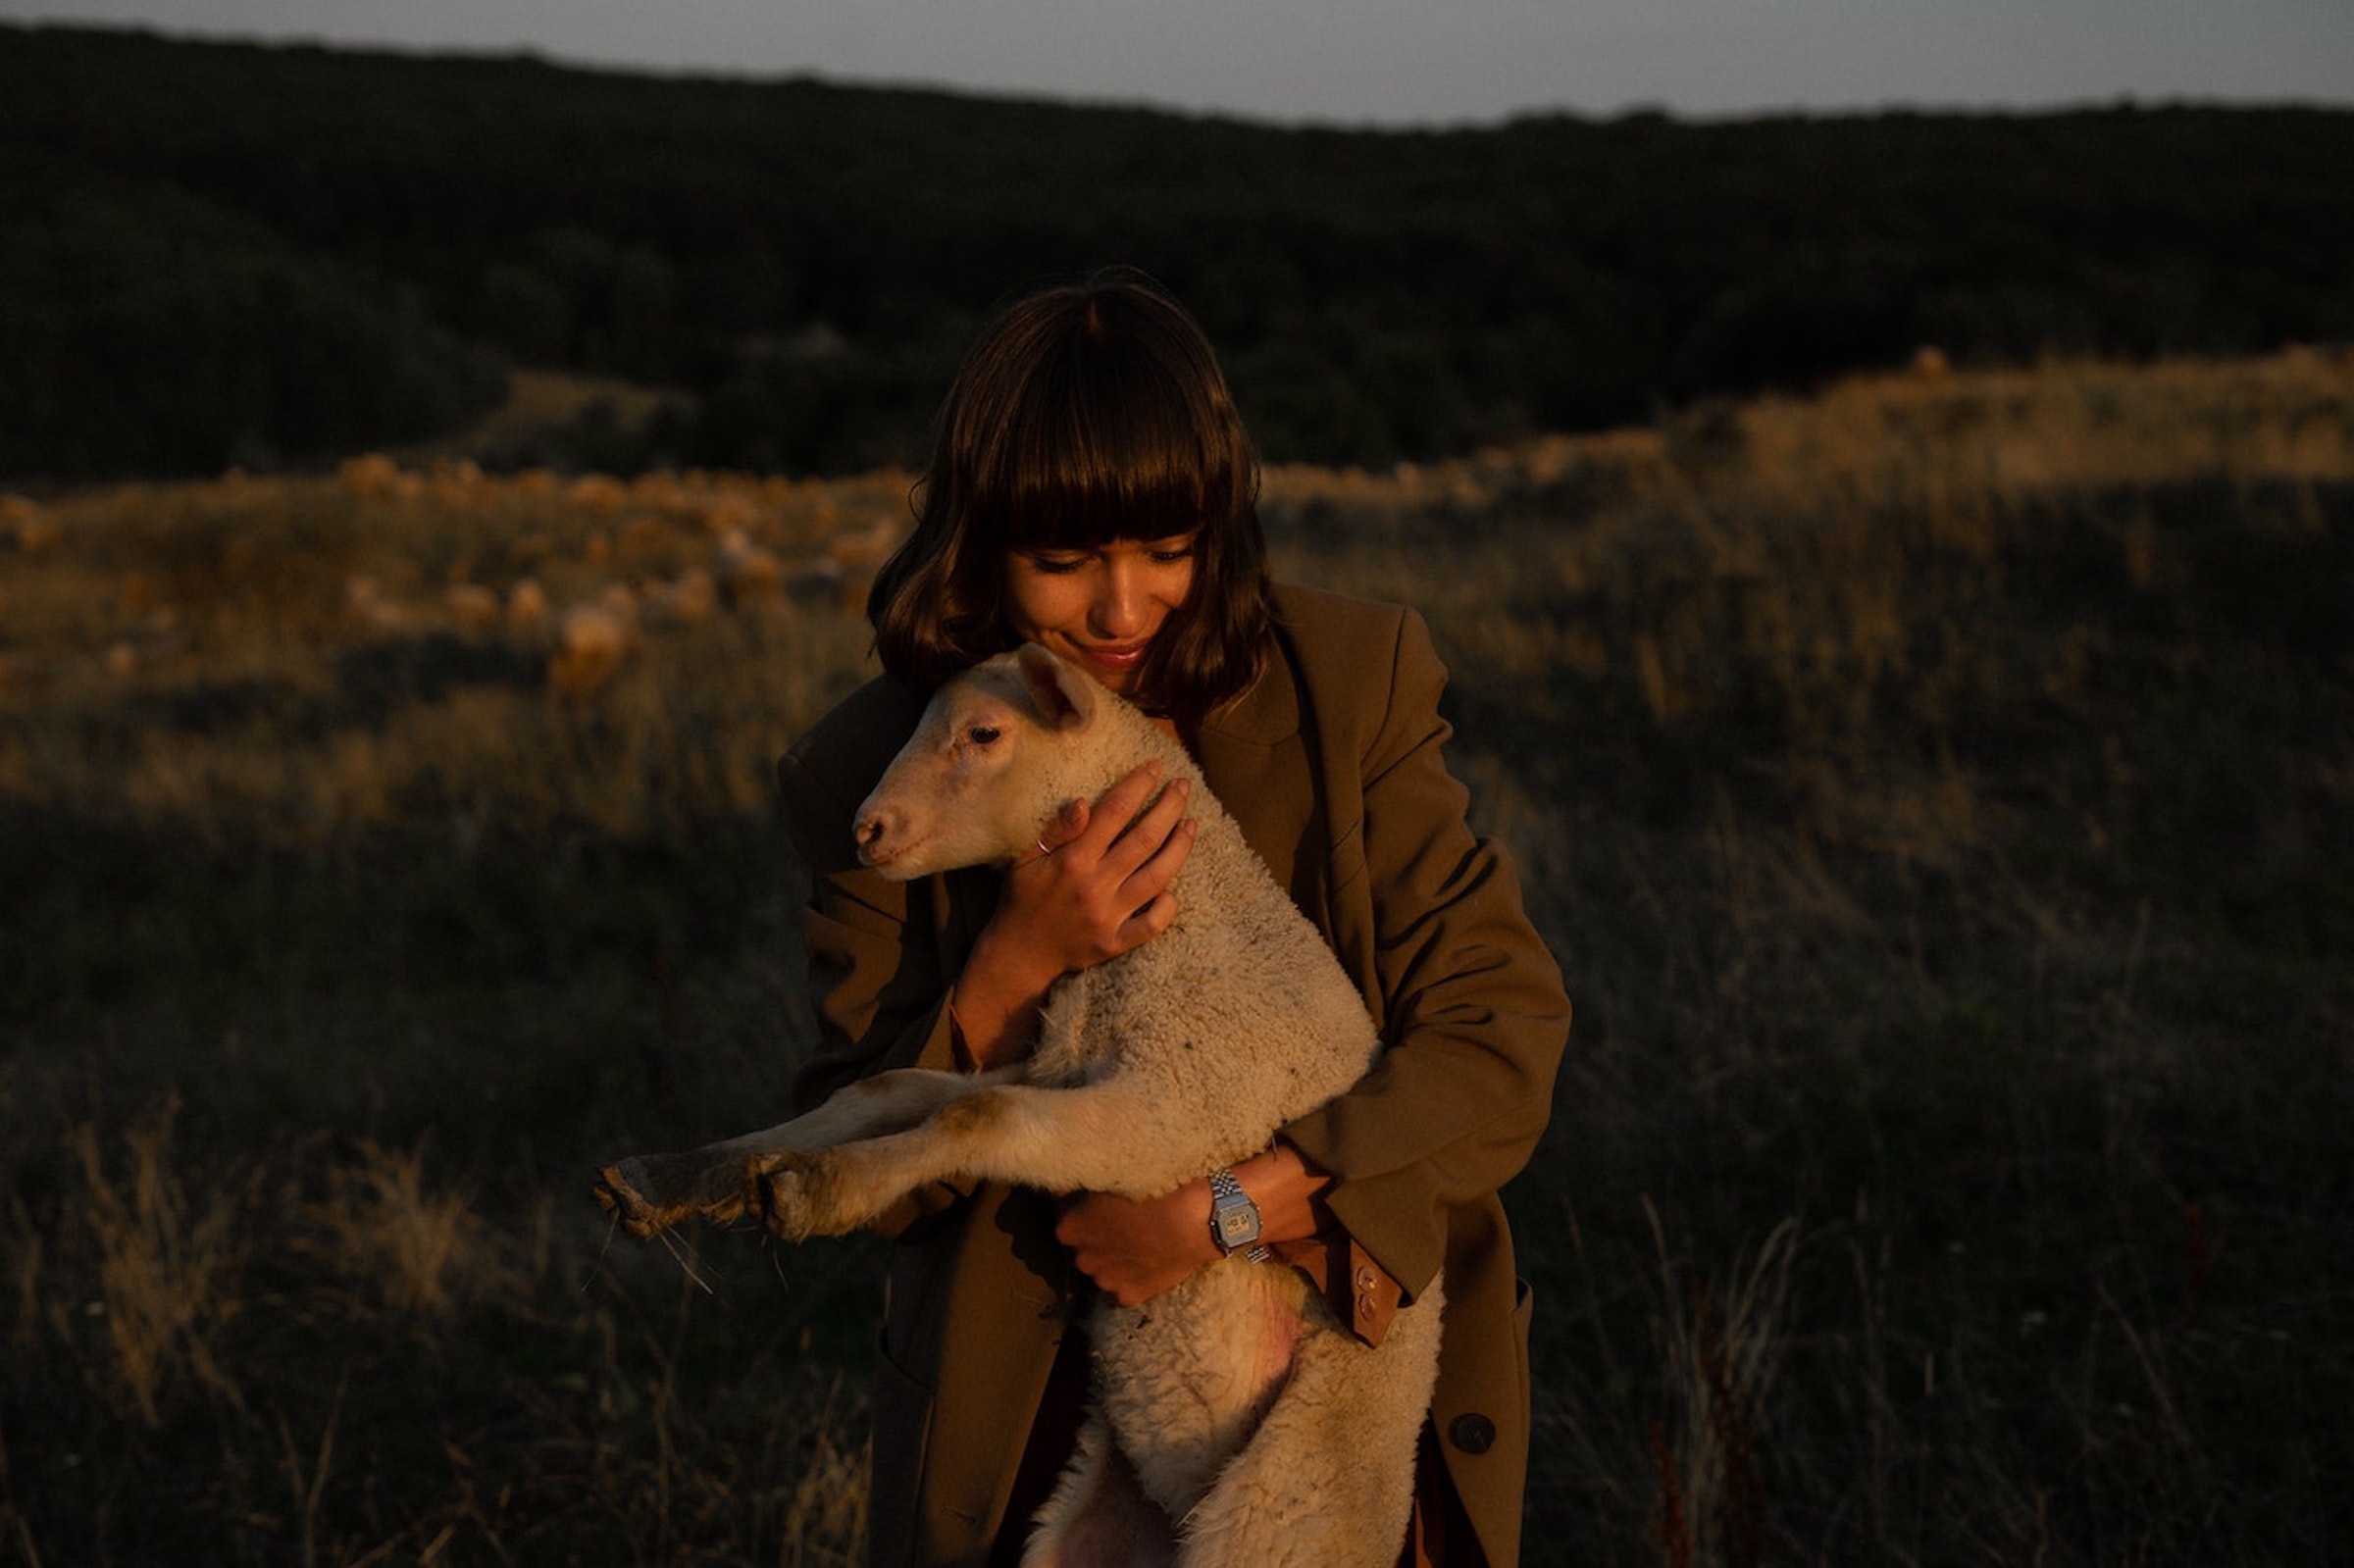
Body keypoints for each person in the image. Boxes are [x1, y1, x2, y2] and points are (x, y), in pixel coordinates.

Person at [773, 267, 1570, 1567]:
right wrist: (1017, 958)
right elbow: (868, 1190)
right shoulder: (883, 771)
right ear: (979, 540)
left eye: (1168, 548)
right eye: (1064, 560)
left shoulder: (1347, 686)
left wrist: (1223, 1214)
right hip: (1034, 1410)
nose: (1123, 609)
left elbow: (1501, 1040)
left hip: (1328, 1383)